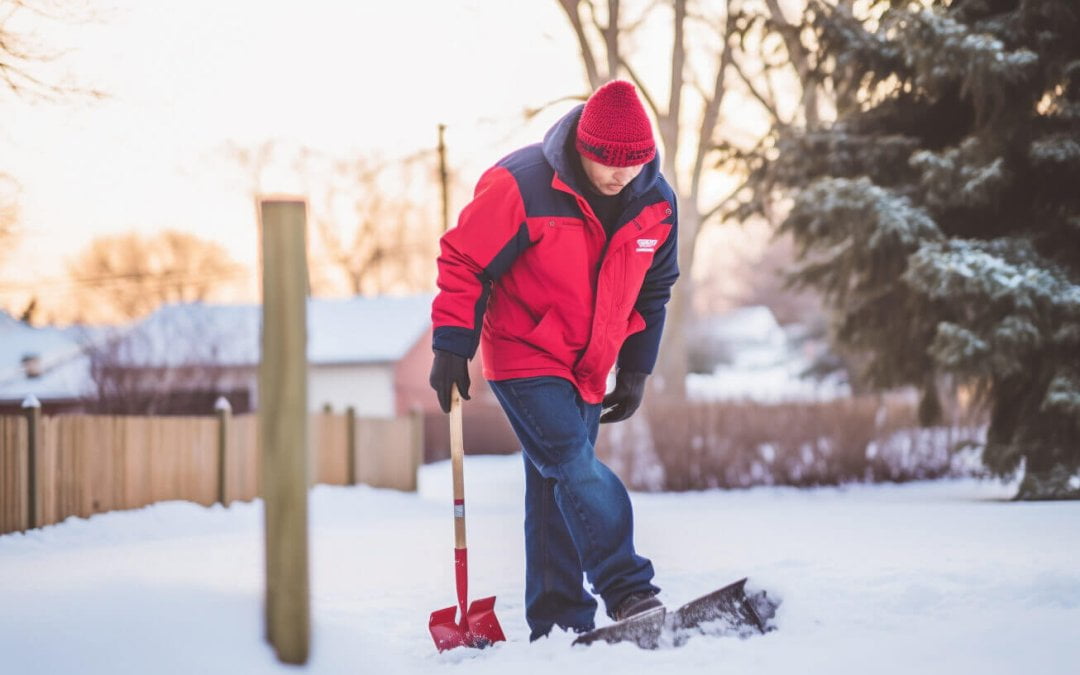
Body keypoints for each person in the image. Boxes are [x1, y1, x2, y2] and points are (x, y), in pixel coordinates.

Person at [428, 80, 679, 641]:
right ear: (581, 146)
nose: (621, 174)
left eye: (633, 163)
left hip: (590, 363)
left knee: (554, 489)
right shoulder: (521, 185)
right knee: (571, 462)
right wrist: (451, 343)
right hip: (524, 352)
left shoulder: (657, 201)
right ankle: (628, 587)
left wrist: (636, 368)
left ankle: (559, 624)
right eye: (607, 161)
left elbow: (655, 287)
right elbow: (465, 259)